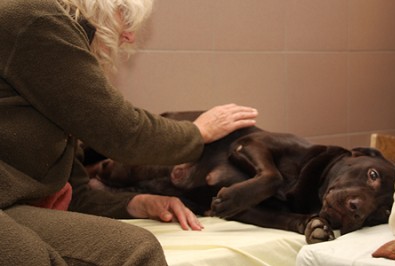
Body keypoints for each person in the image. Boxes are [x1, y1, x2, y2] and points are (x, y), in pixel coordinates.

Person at [0, 0, 258, 265]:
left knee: (137, 248)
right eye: (125, 16)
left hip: (12, 207)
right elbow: (122, 131)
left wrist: (135, 203)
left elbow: (75, 190)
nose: (131, 35)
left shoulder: (45, 60)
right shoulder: (34, 17)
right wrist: (197, 132)